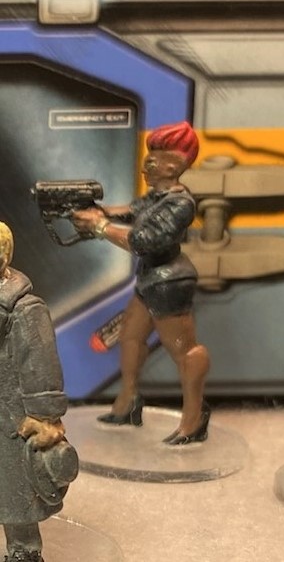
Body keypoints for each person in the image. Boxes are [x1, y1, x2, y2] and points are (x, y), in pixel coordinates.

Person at [72, 121, 211, 445]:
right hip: (150, 281)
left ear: (173, 165)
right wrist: (98, 212)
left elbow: (144, 241)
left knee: (185, 351)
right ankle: (128, 402)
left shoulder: (180, 204)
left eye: (153, 160)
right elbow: (132, 211)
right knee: (131, 339)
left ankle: (194, 419)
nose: (145, 166)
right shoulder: (159, 197)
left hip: (169, 282)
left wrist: (100, 226)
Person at [0, 222, 77, 562]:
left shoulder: (24, 309)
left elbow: (41, 365)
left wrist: (45, 417)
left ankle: (24, 551)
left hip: (10, 417)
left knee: (15, 492)